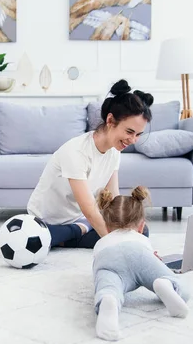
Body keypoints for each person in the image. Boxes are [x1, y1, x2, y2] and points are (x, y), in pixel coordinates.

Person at [27, 79, 154, 249]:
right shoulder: (76, 151)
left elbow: (113, 198)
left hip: (81, 219)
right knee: (40, 236)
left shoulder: (114, 152)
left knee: (140, 232)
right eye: (129, 131)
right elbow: (89, 209)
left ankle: (79, 230)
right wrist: (118, 244)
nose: (132, 140)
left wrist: (128, 227)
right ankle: (73, 231)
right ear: (110, 120)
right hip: (50, 220)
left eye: (138, 134)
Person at [92, 186, 190, 341]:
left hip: (107, 256)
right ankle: (165, 284)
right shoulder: (142, 239)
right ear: (141, 226)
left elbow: (97, 264)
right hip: (140, 252)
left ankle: (108, 300)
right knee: (173, 280)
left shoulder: (102, 243)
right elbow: (149, 258)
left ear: (107, 225)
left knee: (107, 285)